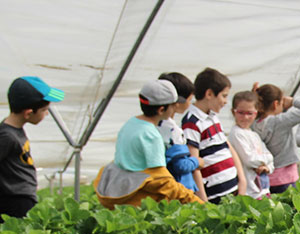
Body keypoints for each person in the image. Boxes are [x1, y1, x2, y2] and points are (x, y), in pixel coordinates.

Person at [94, 80, 201, 209]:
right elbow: (162, 181)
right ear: (161, 109)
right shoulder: (151, 136)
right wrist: (197, 202)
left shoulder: (130, 124)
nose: (175, 108)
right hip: (140, 204)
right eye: (173, 105)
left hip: (122, 196)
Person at [0, 76, 63, 223]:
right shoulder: (8, 137)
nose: (46, 114)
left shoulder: (14, 128)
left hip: (21, 199)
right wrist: (0, 197)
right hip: (15, 204)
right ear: (28, 113)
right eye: (44, 110)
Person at [182, 68, 246, 203]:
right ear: (209, 94)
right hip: (215, 197)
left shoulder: (212, 117)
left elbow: (226, 146)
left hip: (233, 189)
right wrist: (203, 202)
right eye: (224, 96)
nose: (225, 101)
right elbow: (194, 165)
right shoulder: (192, 122)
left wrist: (242, 179)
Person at [253, 84, 300, 193]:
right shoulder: (281, 120)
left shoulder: (253, 124)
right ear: (275, 104)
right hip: (286, 178)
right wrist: (293, 101)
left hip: (265, 178)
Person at [157, 72, 200, 195]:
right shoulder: (172, 130)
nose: (190, 103)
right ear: (177, 101)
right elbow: (181, 165)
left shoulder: (153, 125)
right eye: (190, 99)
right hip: (179, 189)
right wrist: (197, 161)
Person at [227, 92, 273, 199]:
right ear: (233, 112)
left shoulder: (254, 135)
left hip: (262, 188)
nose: (245, 117)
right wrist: (267, 159)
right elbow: (249, 160)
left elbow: (270, 159)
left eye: (249, 113)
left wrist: (267, 167)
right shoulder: (236, 133)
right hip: (248, 191)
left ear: (256, 113)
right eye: (241, 113)